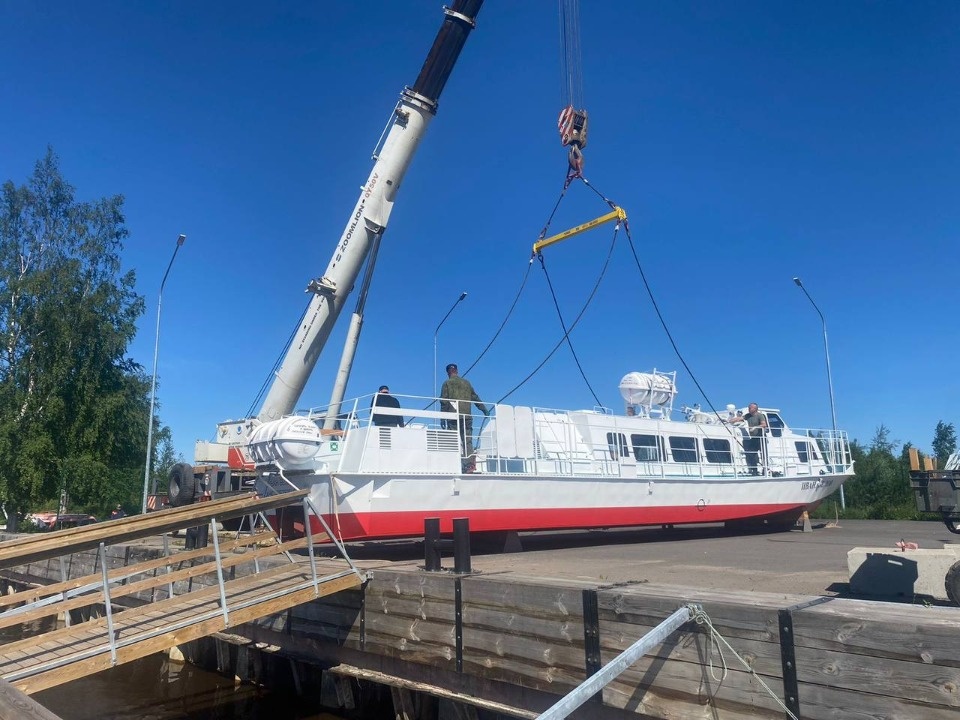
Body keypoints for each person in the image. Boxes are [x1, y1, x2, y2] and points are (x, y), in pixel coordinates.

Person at [440, 363, 489, 462]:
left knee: (452, 439)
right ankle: (470, 464)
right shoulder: (466, 383)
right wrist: (484, 410)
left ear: (448, 372)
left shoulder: (447, 383)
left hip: (453, 417)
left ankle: (452, 463)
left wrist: (442, 417)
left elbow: (444, 401)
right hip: (467, 417)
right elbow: (475, 397)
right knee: (468, 441)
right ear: (457, 371)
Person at [727, 402, 768, 474]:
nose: (749, 409)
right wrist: (729, 421)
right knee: (751, 454)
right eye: (749, 407)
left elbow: (764, 424)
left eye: (750, 408)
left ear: (755, 409)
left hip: (761, 438)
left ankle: (765, 470)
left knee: (763, 454)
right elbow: (740, 418)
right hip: (753, 438)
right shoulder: (748, 415)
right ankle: (754, 470)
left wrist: (756, 427)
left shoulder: (760, 415)